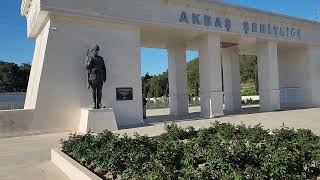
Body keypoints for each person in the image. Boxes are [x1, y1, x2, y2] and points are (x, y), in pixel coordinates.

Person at [85, 44, 107, 109]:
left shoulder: (101, 58)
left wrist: (104, 77)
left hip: (100, 77)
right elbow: (87, 68)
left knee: (99, 91)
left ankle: (99, 103)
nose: (96, 51)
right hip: (93, 78)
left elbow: (104, 68)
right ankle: (94, 104)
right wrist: (88, 62)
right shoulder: (90, 58)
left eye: (97, 50)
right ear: (93, 50)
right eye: (95, 50)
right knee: (94, 92)